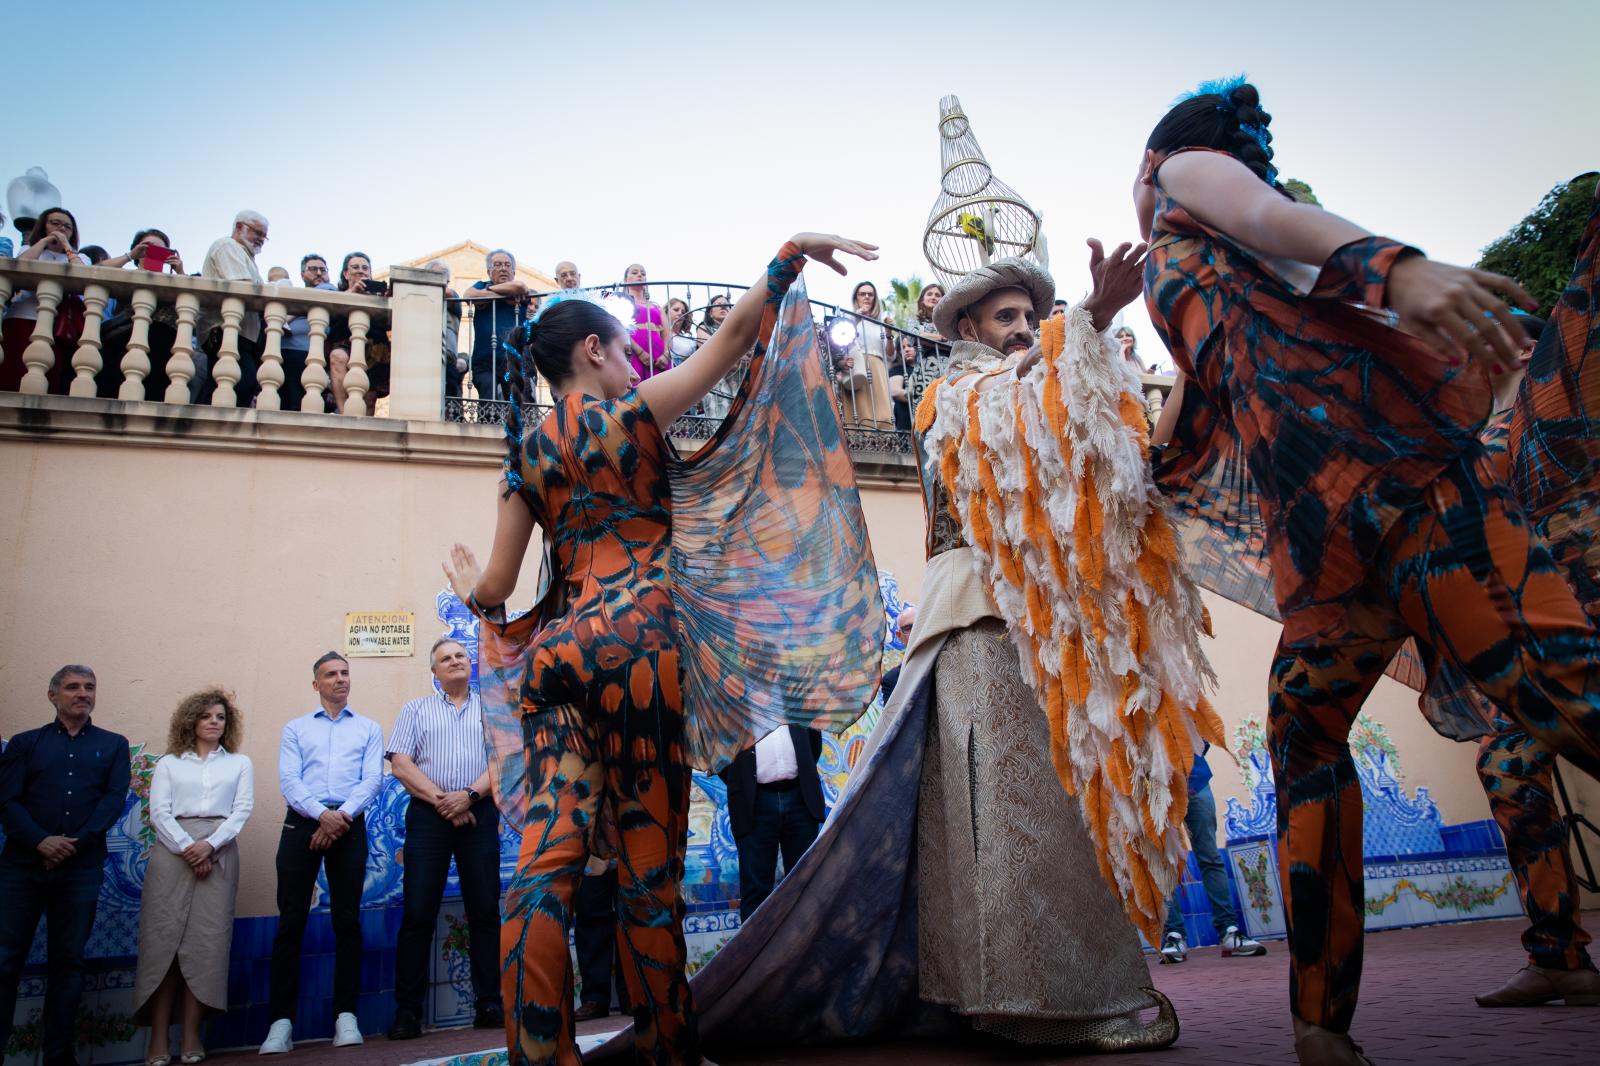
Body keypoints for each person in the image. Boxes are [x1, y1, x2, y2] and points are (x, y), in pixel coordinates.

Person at [1137, 79, 1600, 1065]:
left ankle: (1328, 1021)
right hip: (1334, 551)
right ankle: (1320, 1029)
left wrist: (1399, 270)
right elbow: (1194, 418)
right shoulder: (1198, 280)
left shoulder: (1182, 180)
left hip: (1414, 501)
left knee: (1567, 698)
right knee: (1306, 740)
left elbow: (1268, 210)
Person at [442, 230, 882, 1065]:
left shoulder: (525, 455)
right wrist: (788, 255)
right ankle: (666, 1051)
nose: (633, 362)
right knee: (649, 872)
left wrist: (470, 585)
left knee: (546, 862)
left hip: (558, 656)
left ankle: (540, 1055)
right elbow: (733, 337)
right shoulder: (636, 413)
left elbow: (496, 587)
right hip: (640, 647)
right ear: (593, 350)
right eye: (623, 350)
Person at [0, 665, 132, 1066]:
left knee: (69, 961)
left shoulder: (113, 745)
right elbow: (7, 800)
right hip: (22, 868)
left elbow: (113, 800)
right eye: (73, 687)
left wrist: (76, 842)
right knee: (5, 959)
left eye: (89, 687)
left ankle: (59, 1054)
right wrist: (40, 840)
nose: (82, 693)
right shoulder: (25, 743)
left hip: (81, 867)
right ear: (52, 695)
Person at [259, 652, 384, 1055]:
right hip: (302, 823)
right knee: (290, 921)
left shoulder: (368, 728)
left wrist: (339, 817)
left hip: (348, 823)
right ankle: (281, 1023)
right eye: (331, 674)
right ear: (316, 684)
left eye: (345, 673)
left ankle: (346, 1016)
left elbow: (372, 780)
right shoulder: (296, 728)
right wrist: (321, 816)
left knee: (347, 921)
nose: (340, 679)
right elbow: (289, 780)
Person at [384, 638, 503, 1040]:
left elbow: (502, 760)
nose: (454, 661)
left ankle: (489, 1004)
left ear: (470, 664)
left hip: (479, 812)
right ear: (434, 671)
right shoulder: (415, 710)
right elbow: (401, 764)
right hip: (429, 815)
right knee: (418, 913)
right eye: (445, 658)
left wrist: (468, 797)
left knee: (484, 911)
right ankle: (408, 1012)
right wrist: (446, 802)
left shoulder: (492, 708)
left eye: (460, 656)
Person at [135, 688, 254, 1066]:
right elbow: (159, 812)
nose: (214, 722)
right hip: (173, 854)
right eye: (206, 716)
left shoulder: (239, 764)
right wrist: (189, 847)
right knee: (163, 944)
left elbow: (242, 810)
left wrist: (210, 846)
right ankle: (158, 1039)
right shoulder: (170, 764)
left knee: (206, 945)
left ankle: (191, 1035)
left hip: (219, 852)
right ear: (191, 721)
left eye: (220, 717)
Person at [1157, 744, 1265, 963]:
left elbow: (1201, 737)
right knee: (1164, 863)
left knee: (1210, 857)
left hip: (1194, 780)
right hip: (1155, 790)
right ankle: (1174, 935)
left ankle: (1229, 930)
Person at [717, 724, 825, 921]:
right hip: (754, 803)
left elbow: (813, 744)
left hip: (800, 798)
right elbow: (720, 756)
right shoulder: (733, 708)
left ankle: (802, 941)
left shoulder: (795, 704)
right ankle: (757, 942)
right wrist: (743, 783)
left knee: (805, 884)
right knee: (756, 890)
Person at [94, 228, 191, 401]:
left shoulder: (175, 280)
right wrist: (130, 255)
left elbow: (191, 302)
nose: (153, 250)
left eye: (161, 248)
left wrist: (180, 272)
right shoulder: (125, 275)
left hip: (163, 348)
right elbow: (96, 271)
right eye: (148, 246)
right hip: (126, 341)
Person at [1, 207, 90, 395]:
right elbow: (19, 266)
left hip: (55, 325)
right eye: (55, 223)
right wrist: (44, 242)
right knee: (12, 373)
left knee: (46, 377)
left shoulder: (79, 257)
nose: (61, 228)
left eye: (67, 226)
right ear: (43, 226)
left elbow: (83, 276)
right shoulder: (30, 249)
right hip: (21, 317)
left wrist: (66, 246)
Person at [198, 209, 269, 405]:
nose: (261, 239)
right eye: (257, 232)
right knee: (238, 380)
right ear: (239, 227)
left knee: (226, 383)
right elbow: (243, 286)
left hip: (241, 333)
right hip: (224, 329)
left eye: (264, 236)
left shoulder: (245, 255)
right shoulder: (227, 246)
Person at [327, 252, 391, 414]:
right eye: (355, 267)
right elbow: (332, 312)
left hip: (376, 348)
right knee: (337, 357)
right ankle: (344, 414)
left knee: (369, 398)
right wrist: (353, 293)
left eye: (365, 268)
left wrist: (387, 300)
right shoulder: (338, 294)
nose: (360, 270)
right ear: (346, 273)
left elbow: (389, 324)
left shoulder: (378, 296)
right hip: (345, 342)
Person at [464, 248, 527, 402]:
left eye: (507, 265)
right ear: (489, 272)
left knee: (514, 405)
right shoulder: (481, 285)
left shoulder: (519, 290)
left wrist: (486, 293)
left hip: (512, 360)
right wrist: (501, 294)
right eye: (497, 265)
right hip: (483, 360)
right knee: (488, 401)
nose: (503, 268)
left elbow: (520, 287)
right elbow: (469, 295)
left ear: (513, 271)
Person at [279, 254, 337, 412]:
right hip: (288, 351)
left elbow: (323, 292)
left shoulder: (328, 288)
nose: (319, 273)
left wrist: (288, 317)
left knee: (302, 404)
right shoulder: (292, 293)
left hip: (310, 354)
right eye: (313, 269)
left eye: (323, 270)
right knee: (287, 403)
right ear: (302, 274)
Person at [623, 263, 670, 381]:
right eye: (635, 273)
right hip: (634, 353)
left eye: (643, 273)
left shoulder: (656, 306)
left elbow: (667, 334)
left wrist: (666, 354)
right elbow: (621, 329)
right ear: (625, 280)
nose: (640, 275)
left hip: (659, 356)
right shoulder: (622, 303)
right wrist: (640, 352)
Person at [695, 294, 736, 418]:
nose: (723, 307)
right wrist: (735, 355)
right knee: (720, 414)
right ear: (710, 313)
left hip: (736, 377)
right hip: (715, 377)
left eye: (726, 305)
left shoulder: (736, 331)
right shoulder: (703, 327)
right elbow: (711, 349)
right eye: (718, 305)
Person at [666, 297, 698, 366]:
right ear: (666, 312)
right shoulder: (659, 334)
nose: (680, 313)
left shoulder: (689, 339)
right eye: (676, 310)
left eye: (683, 312)